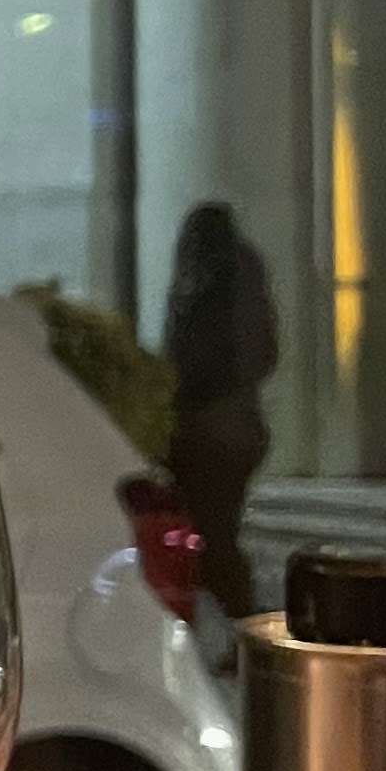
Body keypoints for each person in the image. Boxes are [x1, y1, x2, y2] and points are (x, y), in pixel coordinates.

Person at [163, 201, 279, 623]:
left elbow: (189, 357)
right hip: (234, 425)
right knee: (216, 532)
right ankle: (236, 619)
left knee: (211, 535)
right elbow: (263, 352)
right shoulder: (242, 280)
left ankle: (237, 620)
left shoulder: (203, 287)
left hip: (212, 426)